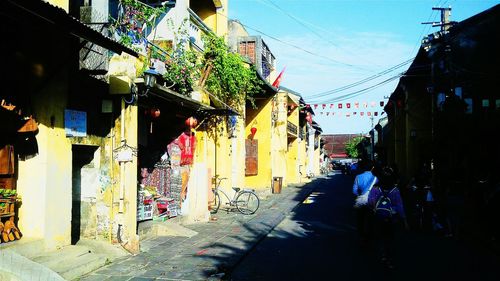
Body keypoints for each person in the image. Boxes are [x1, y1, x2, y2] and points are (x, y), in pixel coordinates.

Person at [368, 166, 408, 269]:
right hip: (392, 218)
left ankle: (383, 255)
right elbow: (399, 205)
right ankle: (390, 258)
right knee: (390, 238)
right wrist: (404, 219)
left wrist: (375, 208)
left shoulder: (376, 188)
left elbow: (370, 201)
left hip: (378, 216)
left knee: (380, 237)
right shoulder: (395, 190)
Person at [352, 161, 378, 246]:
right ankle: (369, 237)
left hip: (361, 201)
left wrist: (360, 195)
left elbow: (354, 191)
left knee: (360, 219)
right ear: (372, 168)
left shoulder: (358, 177)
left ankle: (362, 236)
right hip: (371, 202)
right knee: (371, 219)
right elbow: (377, 192)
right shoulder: (375, 178)